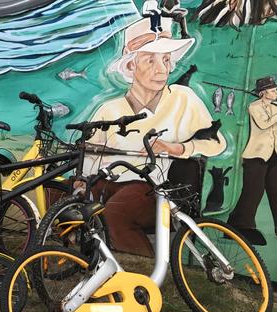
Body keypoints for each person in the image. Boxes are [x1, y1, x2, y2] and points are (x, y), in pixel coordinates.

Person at [83, 17, 227, 256]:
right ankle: (64, 262)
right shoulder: (110, 109)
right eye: (151, 60)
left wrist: (177, 148)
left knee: (116, 212)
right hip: (109, 182)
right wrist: (80, 180)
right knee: (58, 193)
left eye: (167, 60)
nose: (162, 69)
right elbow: (90, 152)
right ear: (131, 66)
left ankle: (141, 272)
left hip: (155, 188)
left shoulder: (183, 99)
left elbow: (216, 142)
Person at [227, 76, 277, 245]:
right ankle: (240, 225)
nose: (275, 92)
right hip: (256, 155)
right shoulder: (254, 107)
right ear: (263, 93)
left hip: (274, 155)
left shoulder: (274, 107)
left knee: (275, 190)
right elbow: (264, 124)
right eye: (272, 90)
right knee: (253, 191)